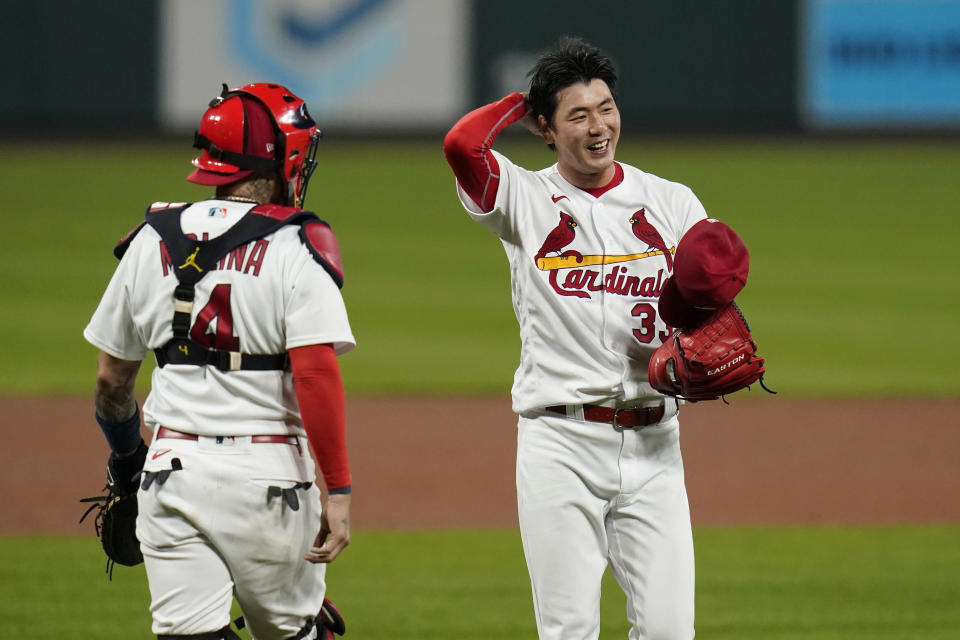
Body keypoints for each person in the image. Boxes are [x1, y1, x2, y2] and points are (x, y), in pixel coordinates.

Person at [443, 37, 730, 639]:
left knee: (670, 631)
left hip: (655, 446)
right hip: (560, 444)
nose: (598, 126)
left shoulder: (671, 201)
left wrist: (705, 339)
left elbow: (714, 295)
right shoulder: (523, 197)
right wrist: (523, 99)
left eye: (606, 107)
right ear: (544, 128)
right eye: (577, 115)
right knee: (569, 630)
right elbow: (462, 144)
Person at [84, 82, 354, 639]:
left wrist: (129, 462)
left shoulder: (149, 238)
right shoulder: (297, 244)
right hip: (272, 485)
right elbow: (315, 374)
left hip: (170, 477)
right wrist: (341, 491)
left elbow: (112, 381)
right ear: (283, 157)